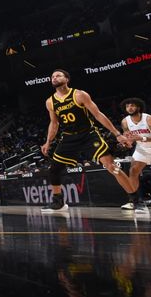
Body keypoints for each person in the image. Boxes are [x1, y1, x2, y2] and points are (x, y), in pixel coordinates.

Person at [40, 69, 133, 212]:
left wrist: (117, 134)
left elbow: (98, 115)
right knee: (54, 169)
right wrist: (48, 142)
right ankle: (58, 202)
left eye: (58, 75)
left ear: (67, 79)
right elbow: (54, 123)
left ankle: (136, 200)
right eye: (52, 76)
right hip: (69, 137)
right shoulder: (50, 102)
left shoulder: (79, 94)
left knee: (111, 166)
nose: (54, 78)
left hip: (88, 135)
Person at [120, 97, 151, 212]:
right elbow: (128, 138)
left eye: (132, 105)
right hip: (142, 147)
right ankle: (135, 201)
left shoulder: (149, 119)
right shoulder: (125, 122)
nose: (129, 108)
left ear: (138, 107)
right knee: (133, 171)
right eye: (127, 106)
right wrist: (127, 143)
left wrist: (142, 138)